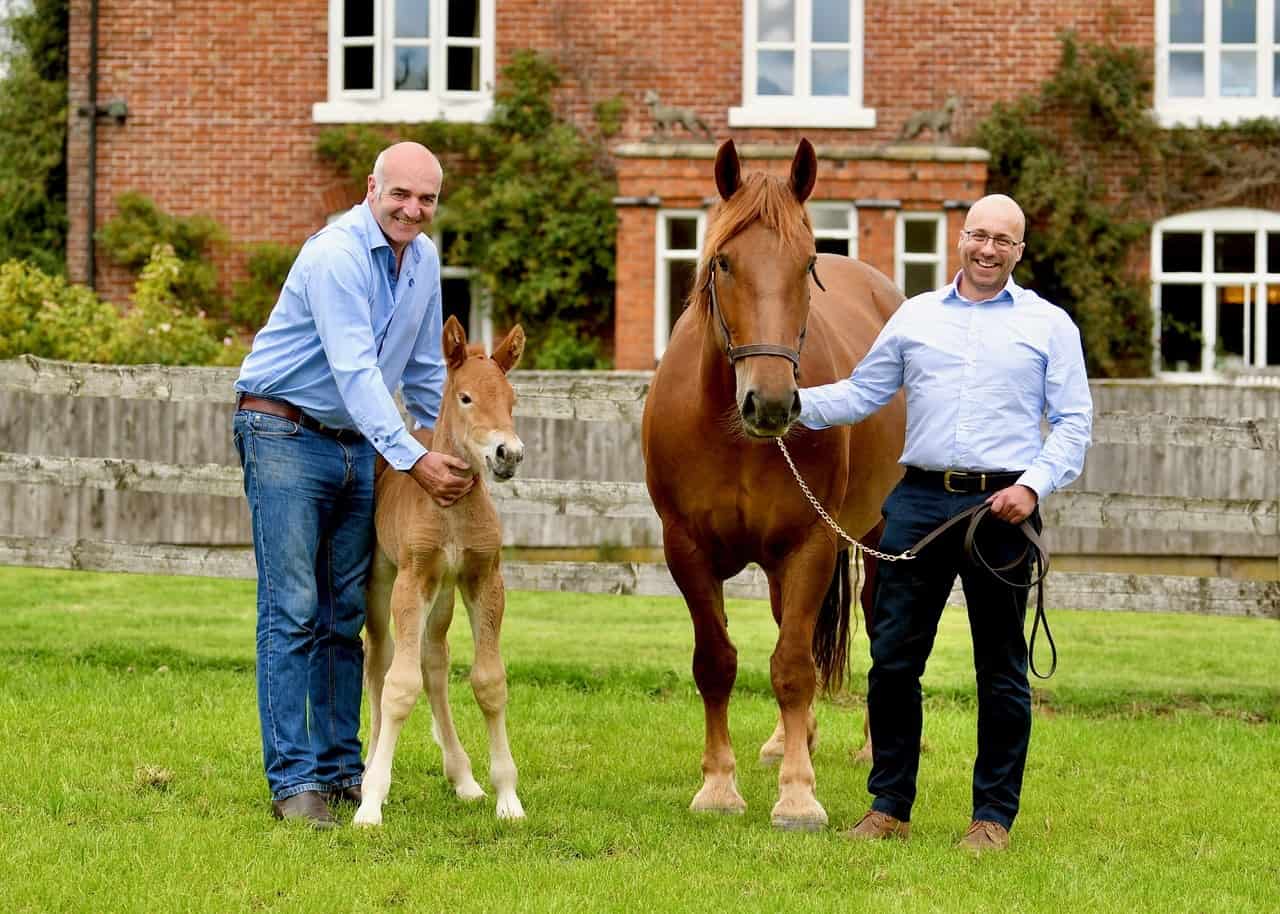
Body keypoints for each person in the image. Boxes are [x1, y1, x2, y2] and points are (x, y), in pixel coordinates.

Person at [796, 194, 1092, 852]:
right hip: (919, 501)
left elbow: (1073, 425)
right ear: (962, 239)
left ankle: (992, 818)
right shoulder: (915, 317)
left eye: (1004, 241)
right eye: (979, 236)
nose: (988, 250)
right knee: (894, 662)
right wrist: (790, 404)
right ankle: (889, 806)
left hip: (1002, 509)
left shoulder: (1049, 326)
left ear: (1020, 251)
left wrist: (1032, 486)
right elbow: (862, 393)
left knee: (1001, 670)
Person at [232, 141, 473, 828]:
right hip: (283, 430)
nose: (412, 208)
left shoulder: (422, 260)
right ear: (373, 188)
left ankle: (341, 770)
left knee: (345, 611)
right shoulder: (337, 255)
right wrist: (411, 459)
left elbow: (427, 373)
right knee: (294, 606)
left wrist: (445, 448)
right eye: (401, 194)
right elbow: (357, 372)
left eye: (426, 198)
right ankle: (295, 782)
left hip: (357, 445)